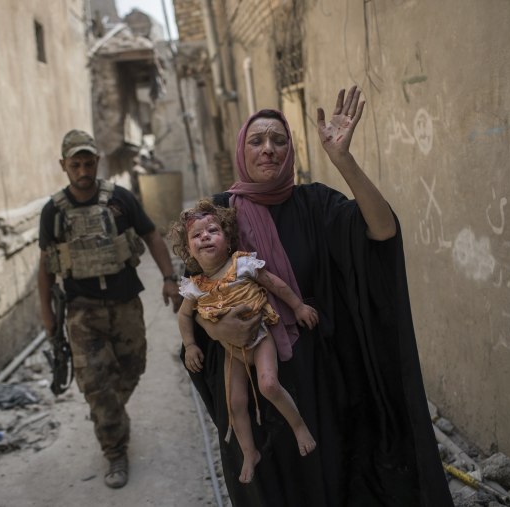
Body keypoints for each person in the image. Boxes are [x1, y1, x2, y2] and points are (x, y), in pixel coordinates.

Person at [182, 87, 454, 506]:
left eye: (279, 140)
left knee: (325, 480)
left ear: (291, 150)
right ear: (242, 150)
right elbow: (193, 292)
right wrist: (213, 325)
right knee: (265, 488)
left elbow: (381, 231)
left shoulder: (315, 204)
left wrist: (343, 160)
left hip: (315, 380)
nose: (268, 149)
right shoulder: (219, 215)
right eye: (257, 141)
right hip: (244, 375)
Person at [37, 129, 181, 489]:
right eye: (76, 164)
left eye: (88, 162)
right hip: (82, 310)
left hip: (125, 303)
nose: (83, 170)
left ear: (97, 162)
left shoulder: (120, 198)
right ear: (64, 166)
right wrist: (47, 314)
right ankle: (115, 450)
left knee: (132, 368)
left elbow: (151, 235)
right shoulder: (53, 211)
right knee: (98, 385)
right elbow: (45, 265)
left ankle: (108, 412)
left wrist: (169, 277)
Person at [170, 199, 319, 483]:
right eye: (196, 235)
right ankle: (250, 453)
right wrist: (190, 345)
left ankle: (299, 427)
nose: (204, 236)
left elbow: (275, 284)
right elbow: (183, 317)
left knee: (269, 385)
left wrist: (298, 306)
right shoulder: (196, 286)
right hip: (231, 350)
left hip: (261, 336)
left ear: (227, 240)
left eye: (212, 230)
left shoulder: (242, 264)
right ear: (189, 250)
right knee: (235, 404)